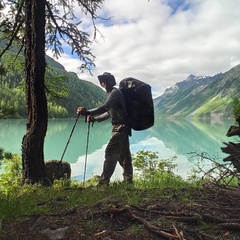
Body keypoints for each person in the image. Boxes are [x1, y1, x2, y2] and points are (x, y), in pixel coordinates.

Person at [77, 72, 133, 185]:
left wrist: (87, 112)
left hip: (121, 127)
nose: (103, 84)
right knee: (124, 155)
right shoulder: (112, 93)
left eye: (103, 82)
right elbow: (109, 112)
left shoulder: (114, 92)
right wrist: (95, 119)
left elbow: (105, 107)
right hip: (121, 127)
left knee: (110, 151)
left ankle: (104, 182)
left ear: (104, 83)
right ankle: (128, 181)